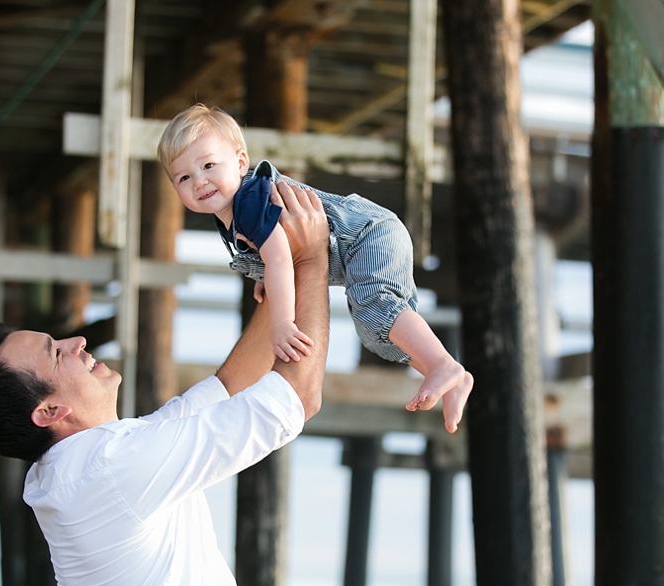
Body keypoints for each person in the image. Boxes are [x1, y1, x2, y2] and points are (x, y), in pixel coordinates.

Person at [0, 182, 333, 586]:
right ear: (48, 412)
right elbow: (296, 397)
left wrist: (285, 278)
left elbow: (228, 387)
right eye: (55, 352)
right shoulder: (109, 467)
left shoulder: (83, 468)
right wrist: (313, 259)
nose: (77, 342)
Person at [158, 103, 472, 434]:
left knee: (377, 308)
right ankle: (448, 376)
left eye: (209, 165)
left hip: (364, 235)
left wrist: (281, 323)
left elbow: (281, 257)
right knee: (375, 332)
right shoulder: (232, 214)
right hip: (361, 241)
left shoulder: (249, 204)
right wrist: (267, 277)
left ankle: (441, 364)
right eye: (184, 177)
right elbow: (276, 259)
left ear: (239, 162)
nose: (200, 181)